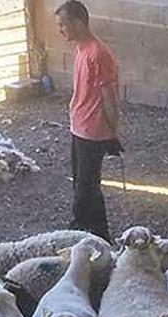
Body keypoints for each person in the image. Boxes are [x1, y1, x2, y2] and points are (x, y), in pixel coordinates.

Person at [55, 0, 121, 242]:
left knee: (85, 189)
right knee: (85, 185)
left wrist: (113, 132)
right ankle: (100, 234)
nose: (60, 30)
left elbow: (109, 97)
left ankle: (74, 234)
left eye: (63, 25)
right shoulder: (81, 49)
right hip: (79, 125)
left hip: (93, 131)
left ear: (79, 22)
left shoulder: (98, 53)